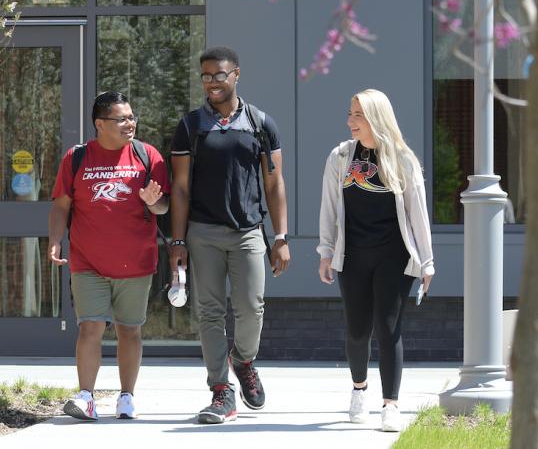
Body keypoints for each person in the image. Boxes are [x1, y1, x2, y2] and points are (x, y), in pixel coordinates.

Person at [170, 45, 290, 424]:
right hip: (203, 233)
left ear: (236, 74)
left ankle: (244, 361)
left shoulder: (260, 123)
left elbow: (274, 184)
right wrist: (177, 242)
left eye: (219, 75)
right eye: (205, 76)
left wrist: (281, 237)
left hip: (249, 233)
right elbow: (181, 189)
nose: (211, 83)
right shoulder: (191, 126)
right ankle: (221, 391)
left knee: (252, 309)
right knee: (209, 313)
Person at [48, 91, 170, 421]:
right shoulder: (77, 157)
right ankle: (86, 396)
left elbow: (164, 207)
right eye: (122, 118)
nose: (130, 123)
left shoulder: (148, 156)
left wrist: (151, 201)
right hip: (88, 261)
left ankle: (126, 397)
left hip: (136, 262)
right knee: (90, 327)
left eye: (132, 117)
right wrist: (56, 240)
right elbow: (62, 204)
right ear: (100, 124)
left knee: (129, 330)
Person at [317, 88, 434, 432]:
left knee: (388, 329)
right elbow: (328, 208)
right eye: (350, 113)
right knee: (357, 332)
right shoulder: (340, 157)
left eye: (358, 115)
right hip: (352, 255)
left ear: (375, 118)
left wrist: (426, 262)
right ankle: (358, 389)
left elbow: (418, 214)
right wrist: (325, 251)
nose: (350, 121)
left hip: (394, 257)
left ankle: (391, 405)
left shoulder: (402, 159)